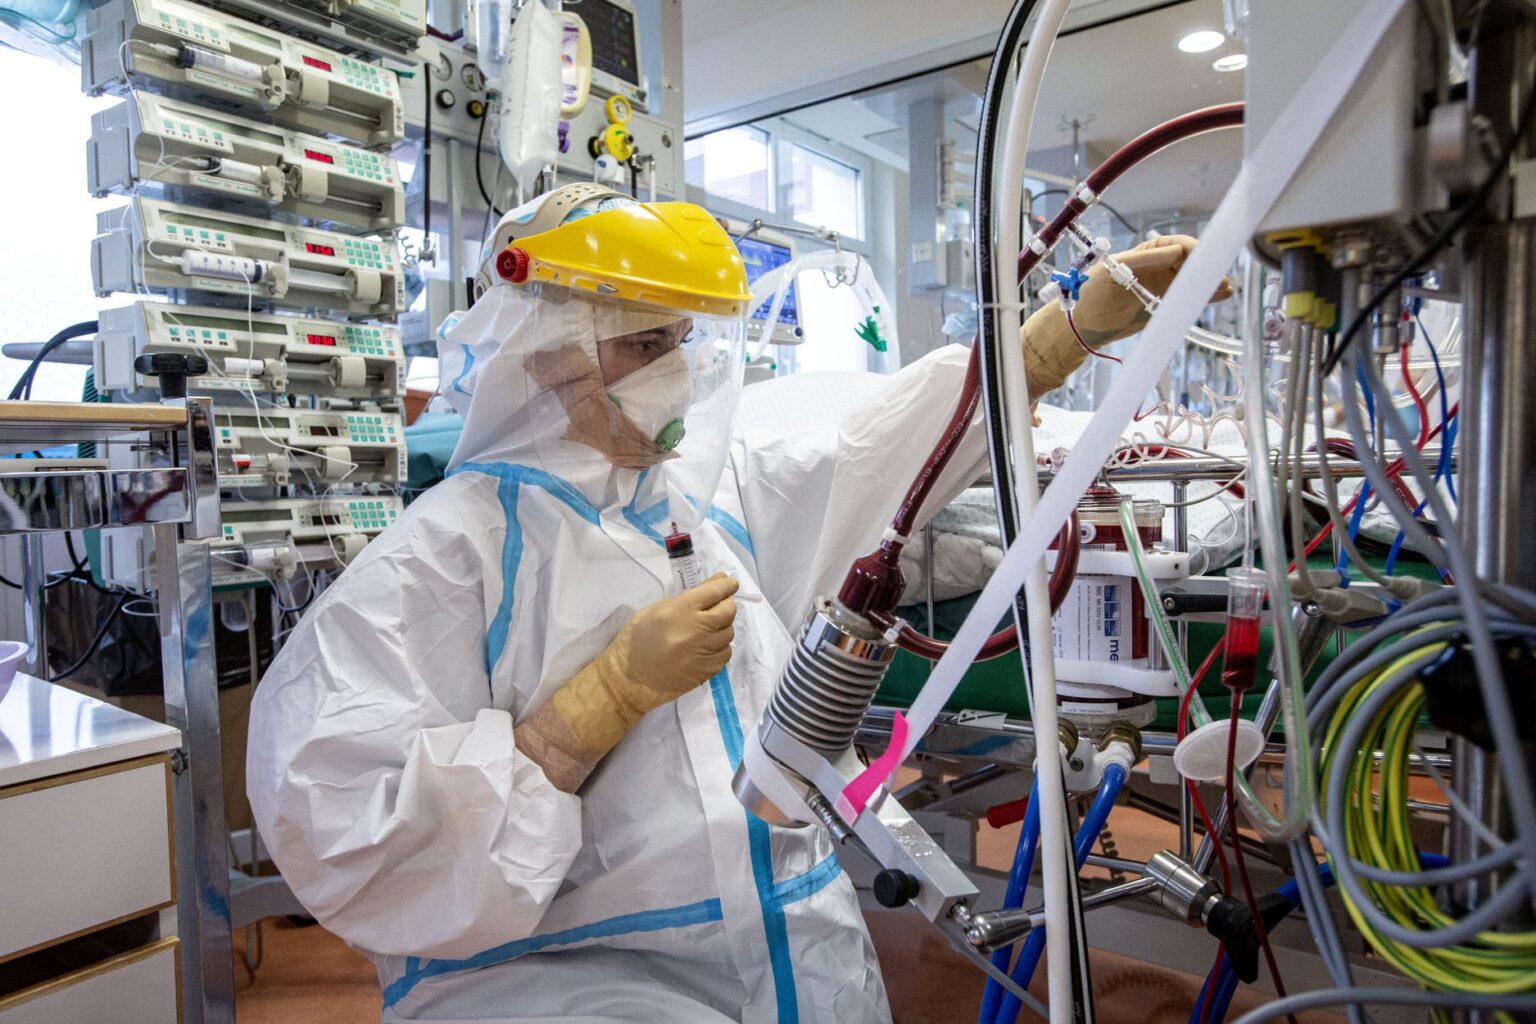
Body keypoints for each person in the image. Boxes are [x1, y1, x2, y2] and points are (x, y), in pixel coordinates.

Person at [247, 182, 1220, 1023]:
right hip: (564, 979)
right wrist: (598, 703)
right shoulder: (452, 551)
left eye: (680, 340)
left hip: (792, 954)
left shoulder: (707, 502)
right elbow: (342, 823)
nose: (674, 368)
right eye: (643, 342)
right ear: (546, 350)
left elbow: (882, 449)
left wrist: (1063, 334)